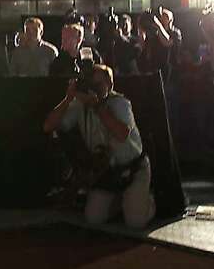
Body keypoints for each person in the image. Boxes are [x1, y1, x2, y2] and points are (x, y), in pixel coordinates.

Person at [42, 64, 156, 228]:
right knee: (94, 218)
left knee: (135, 222)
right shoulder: (80, 106)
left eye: (98, 85)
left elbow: (121, 134)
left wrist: (97, 106)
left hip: (132, 169)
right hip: (107, 172)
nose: (94, 89)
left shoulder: (120, 103)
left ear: (109, 85)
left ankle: (146, 201)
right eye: (91, 84)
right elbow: (48, 126)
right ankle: (122, 203)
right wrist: (68, 98)